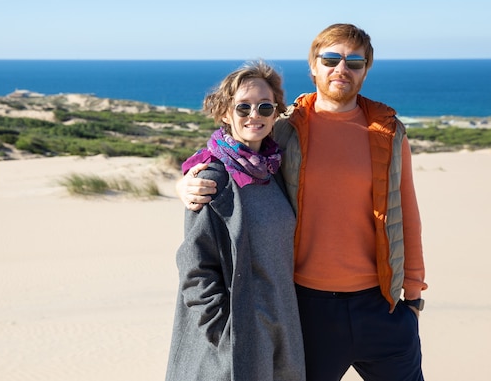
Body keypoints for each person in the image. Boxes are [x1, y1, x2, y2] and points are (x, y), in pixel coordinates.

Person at [177, 24, 428, 381]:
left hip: (381, 308)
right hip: (305, 311)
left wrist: (414, 299)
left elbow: (407, 214)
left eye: (354, 62)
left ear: (366, 70)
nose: (342, 69)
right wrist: (184, 181)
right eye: (331, 59)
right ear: (313, 66)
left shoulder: (389, 133)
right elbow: (228, 152)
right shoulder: (285, 129)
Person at [165, 60, 305, 381]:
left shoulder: (275, 171)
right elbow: (195, 268)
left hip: (283, 331)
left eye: (264, 107)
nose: (254, 115)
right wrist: (225, 335)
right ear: (226, 114)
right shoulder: (212, 176)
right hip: (237, 341)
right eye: (243, 108)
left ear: (275, 113)